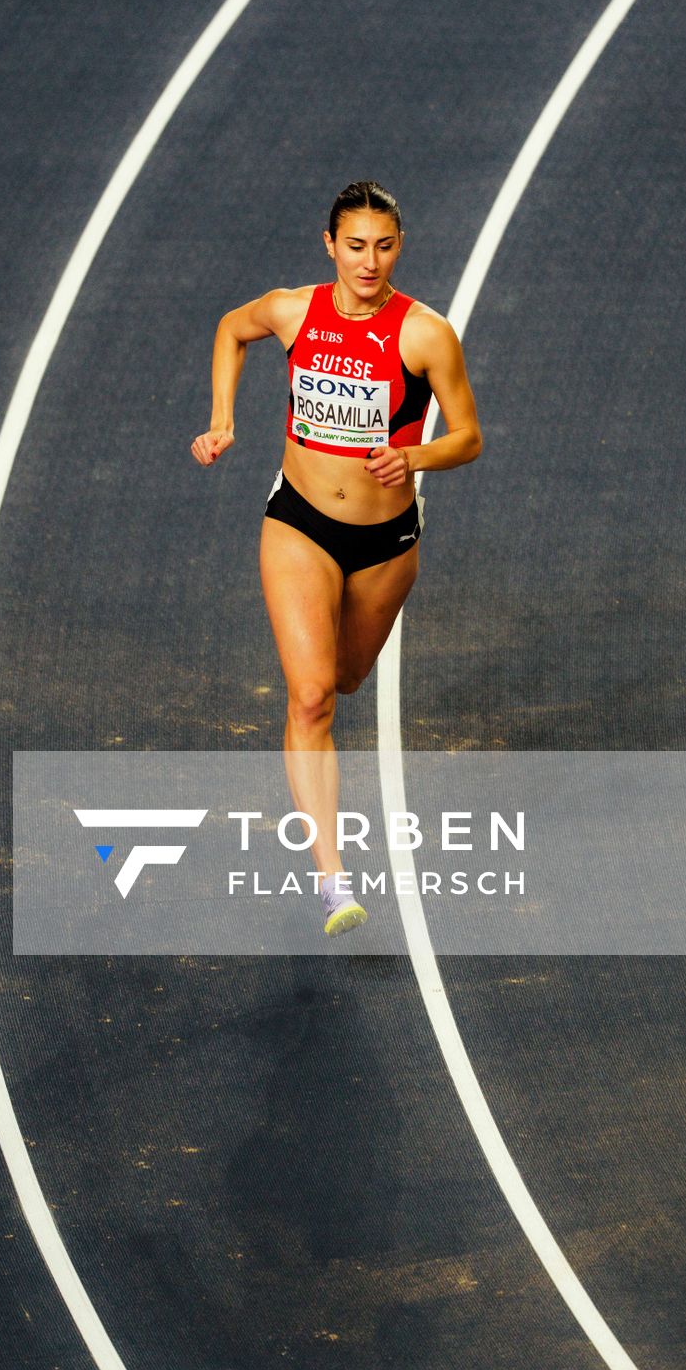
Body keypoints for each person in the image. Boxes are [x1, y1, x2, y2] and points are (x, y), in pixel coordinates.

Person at [190, 180, 482, 937]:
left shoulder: (424, 334)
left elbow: (469, 437)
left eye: (383, 246)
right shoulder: (294, 311)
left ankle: (329, 845)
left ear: (398, 248)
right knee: (312, 694)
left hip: (385, 540)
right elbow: (230, 328)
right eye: (355, 246)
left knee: (348, 676)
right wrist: (222, 420)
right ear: (330, 245)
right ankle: (333, 878)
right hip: (300, 522)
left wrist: (416, 455)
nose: (369, 261)